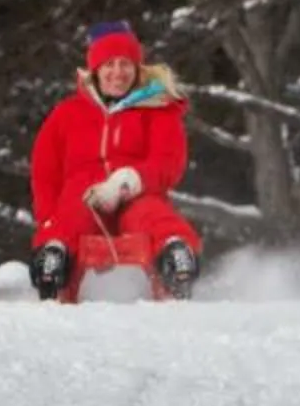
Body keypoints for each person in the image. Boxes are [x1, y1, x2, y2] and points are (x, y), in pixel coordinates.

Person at [28, 20, 204, 301]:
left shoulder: (157, 110)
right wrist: (48, 221)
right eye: (109, 65)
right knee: (72, 215)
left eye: (125, 64)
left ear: (137, 69)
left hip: (136, 194)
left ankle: (174, 255)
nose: (117, 73)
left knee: (152, 214)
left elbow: (168, 162)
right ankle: (55, 257)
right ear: (96, 70)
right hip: (84, 196)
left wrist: (127, 181)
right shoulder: (67, 114)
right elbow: (45, 172)